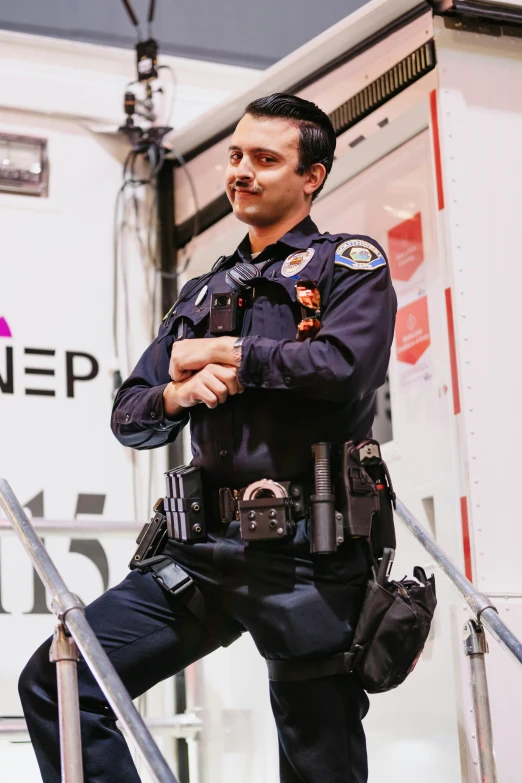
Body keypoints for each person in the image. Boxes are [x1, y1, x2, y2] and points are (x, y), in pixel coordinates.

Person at [19, 93, 397, 783]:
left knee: (321, 760)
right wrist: (175, 391)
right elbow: (130, 412)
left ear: (311, 176)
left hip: (306, 557)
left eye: (265, 159)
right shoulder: (201, 290)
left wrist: (232, 355)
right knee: (57, 681)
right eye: (235, 156)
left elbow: (345, 368)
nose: (241, 172)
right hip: (200, 554)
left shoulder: (347, 266)